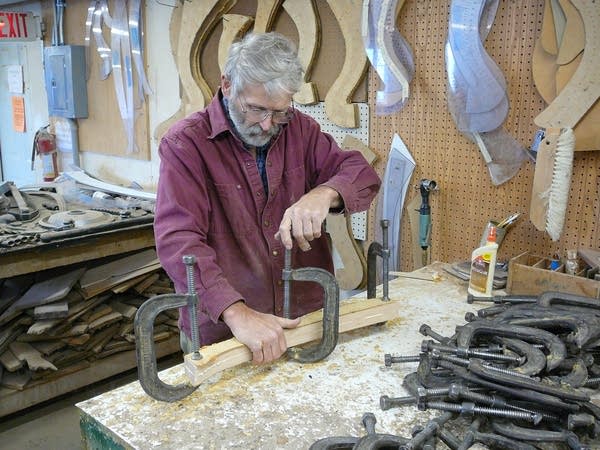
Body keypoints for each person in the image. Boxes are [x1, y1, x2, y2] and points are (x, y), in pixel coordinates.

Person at [154, 32, 380, 365]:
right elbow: (178, 240)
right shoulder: (185, 144)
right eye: (256, 109)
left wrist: (324, 194)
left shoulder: (299, 130)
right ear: (227, 85)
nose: (266, 124)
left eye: (279, 112)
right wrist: (236, 312)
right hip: (226, 334)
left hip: (303, 319)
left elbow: (360, 173)